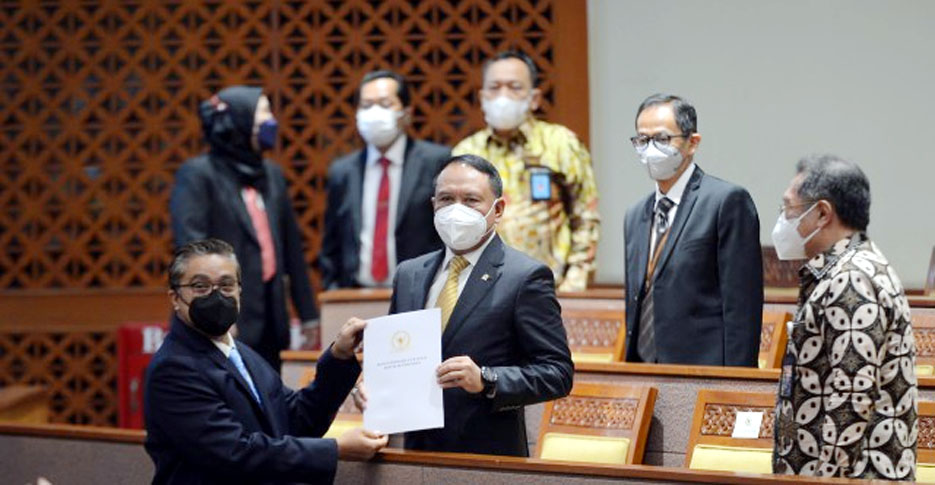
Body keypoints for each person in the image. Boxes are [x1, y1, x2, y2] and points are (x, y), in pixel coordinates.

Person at [359, 154, 573, 456]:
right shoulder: (410, 273)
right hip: (417, 454)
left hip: (486, 456)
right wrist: (373, 385)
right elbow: (397, 352)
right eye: (446, 199)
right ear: (433, 204)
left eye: (471, 200)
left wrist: (486, 379)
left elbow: (557, 373)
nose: (456, 209)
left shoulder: (524, 277)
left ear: (497, 209)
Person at [144, 239, 387, 485]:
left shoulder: (242, 354)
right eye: (200, 286)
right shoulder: (174, 368)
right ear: (175, 298)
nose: (216, 295)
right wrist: (335, 450)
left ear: (239, 291)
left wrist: (339, 356)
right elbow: (235, 453)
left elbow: (297, 419)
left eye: (226, 285)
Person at [771, 155, 917, 480]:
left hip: (855, 476)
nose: (784, 219)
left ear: (822, 213)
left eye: (789, 208)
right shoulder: (848, 268)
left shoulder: (850, 278)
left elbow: (852, 394)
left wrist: (827, 479)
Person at [170, 86, 319, 369]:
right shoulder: (199, 174)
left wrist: (308, 314)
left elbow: (291, 251)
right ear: (238, 121)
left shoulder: (271, 174)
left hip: (272, 322)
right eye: (263, 113)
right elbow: (191, 250)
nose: (271, 120)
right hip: (222, 322)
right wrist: (216, 310)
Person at [623, 93, 762, 366]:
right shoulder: (635, 215)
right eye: (642, 140)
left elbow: (742, 307)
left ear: (692, 143)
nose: (651, 149)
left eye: (662, 139)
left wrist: (736, 386)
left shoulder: (726, 201)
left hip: (704, 368)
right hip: (644, 370)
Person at [452, 51, 599, 292]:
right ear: (482, 97)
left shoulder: (561, 143)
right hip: (482, 291)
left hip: (550, 288)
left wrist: (575, 282)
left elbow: (586, 215)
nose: (503, 96)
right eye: (495, 87)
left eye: (514, 87)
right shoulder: (466, 152)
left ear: (534, 98)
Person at [319, 70, 450, 289]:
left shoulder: (436, 162)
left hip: (420, 293)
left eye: (385, 103)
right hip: (355, 295)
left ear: (407, 113)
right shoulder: (342, 171)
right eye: (366, 105)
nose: (374, 112)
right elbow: (331, 245)